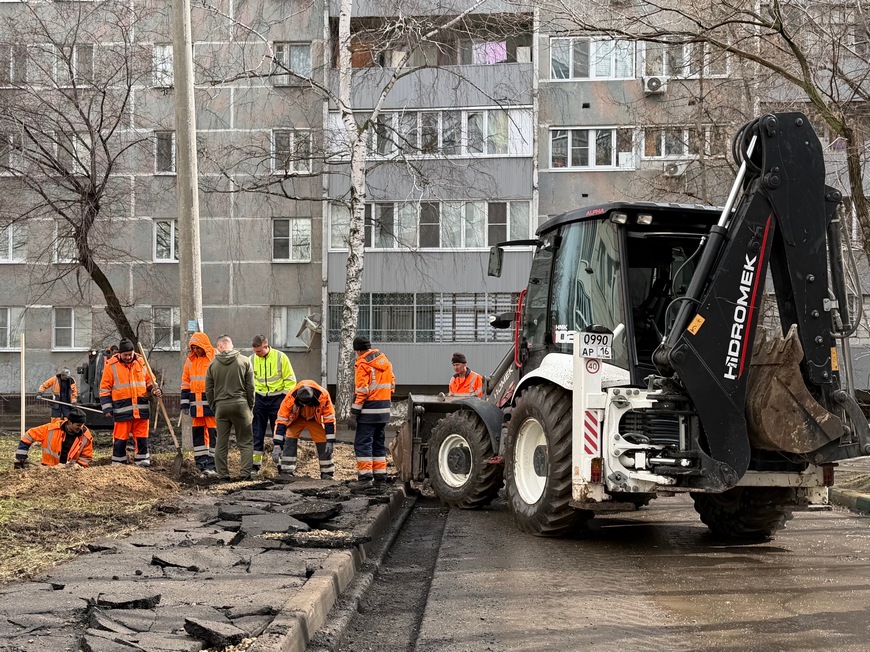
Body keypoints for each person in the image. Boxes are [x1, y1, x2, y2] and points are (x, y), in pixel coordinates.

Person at [99, 338, 162, 467]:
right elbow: (104, 388)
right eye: (125, 355)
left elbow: (150, 381)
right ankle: (118, 462)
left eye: (130, 354)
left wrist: (155, 390)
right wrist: (107, 407)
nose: (128, 357)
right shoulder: (111, 366)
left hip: (141, 408)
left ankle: (142, 461)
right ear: (119, 354)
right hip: (122, 408)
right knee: (120, 437)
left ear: (133, 352)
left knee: (142, 436)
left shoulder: (141, 362)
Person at [348, 336, 395, 489]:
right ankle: (380, 477)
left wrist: (354, 413)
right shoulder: (385, 361)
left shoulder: (362, 364)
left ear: (358, 350)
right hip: (383, 411)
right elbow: (392, 385)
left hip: (368, 411)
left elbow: (362, 391)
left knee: (363, 444)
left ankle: (365, 479)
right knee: (378, 444)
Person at [206, 334, 255, 481]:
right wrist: (250, 406)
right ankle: (245, 474)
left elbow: (208, 390)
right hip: (241, 405)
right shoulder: (245, 361)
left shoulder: (212, 364)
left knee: (221, 443)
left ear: (219, 346)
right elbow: (251, 387)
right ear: (230, 345)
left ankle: (223, 475)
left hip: (221, 406)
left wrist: (214, 406)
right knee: (245, 442)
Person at [249, 334, 296, 475]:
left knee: (280, 431)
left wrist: (285, 400)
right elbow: (249, 381)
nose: (256, 354)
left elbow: (290, 380)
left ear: (266, 346)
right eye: (254, 351)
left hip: (278, 399)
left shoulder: (281, 357)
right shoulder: (251, 359)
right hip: (259, 399)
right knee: (257, 432)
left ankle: (282, 465)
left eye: (259, 351)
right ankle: (255, 464)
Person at [273, 380, 336, 480]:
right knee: (289, 437)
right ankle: (286, 471)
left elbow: (329, 420)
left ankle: (327, 473)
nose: (305, 405)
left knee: (323, 440)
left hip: (314, 419)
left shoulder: (323, 396)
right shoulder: (289, 398)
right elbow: (281, 421)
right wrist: (277, 444)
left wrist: (330, 441)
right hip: (298, 418)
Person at [180, 332, 218, 477]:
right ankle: (201, 464)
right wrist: (184, 403)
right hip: (196, 405)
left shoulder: (215, 357)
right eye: (193, 348)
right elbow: (185, 382)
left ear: (204, 345)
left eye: (198, 347)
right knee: (198, 436)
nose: (196, 350)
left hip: (211, 404)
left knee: (214, 435)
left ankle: (214, 464)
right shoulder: (190, 361)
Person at [14, 407, 93, 468]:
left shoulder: (86, 436)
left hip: (70, 474)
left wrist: (78, 467)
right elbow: (30, 435)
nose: (81, 427)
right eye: (78, 425)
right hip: (48, 469)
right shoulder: (50, 429)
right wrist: (21, 455)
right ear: (69, 422)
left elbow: (85, 458)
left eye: (82, 425)